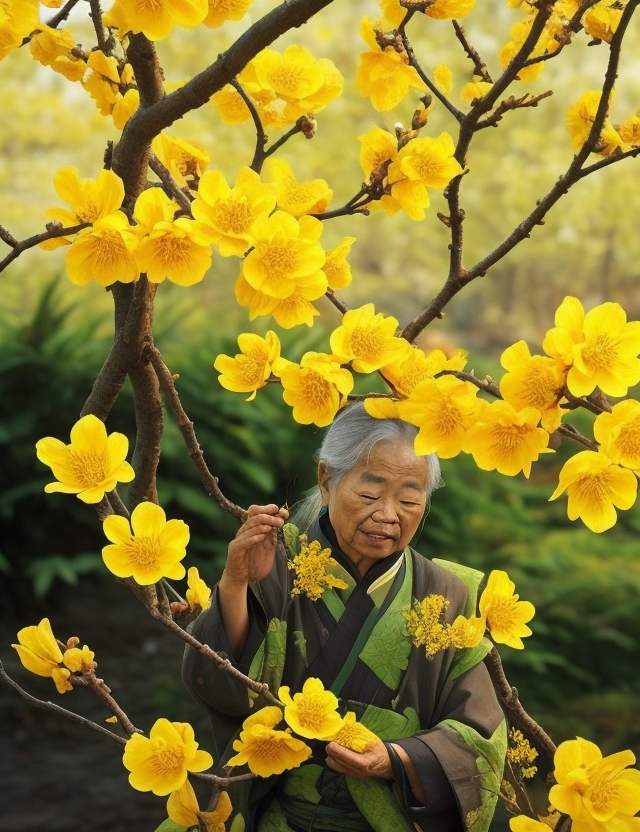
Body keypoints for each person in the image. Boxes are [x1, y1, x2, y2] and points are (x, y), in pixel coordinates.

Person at [182, 403, 506, 832]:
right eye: (371, 494)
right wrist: (237, 583)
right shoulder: (273, 561)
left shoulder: (447, 594)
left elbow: (481, 735)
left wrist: (396, 759)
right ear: (326, 480)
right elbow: (224, 689)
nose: (388, 514)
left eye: (410, 499)